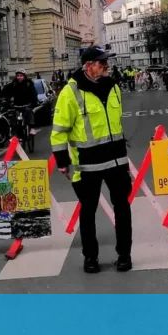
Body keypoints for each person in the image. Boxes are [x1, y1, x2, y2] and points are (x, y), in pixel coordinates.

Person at [51, 46, 132, 274]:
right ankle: (91, 258)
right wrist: (62, 161)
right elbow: (59, 131)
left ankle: (124, 256)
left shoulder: (114, 86)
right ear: (88, 66)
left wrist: (124, 161)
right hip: (87, 166)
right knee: (88, 212)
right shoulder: (70, 92)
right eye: (101, 62)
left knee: (123, 209)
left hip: (116, 161)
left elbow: (115, 126)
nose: (106, 66)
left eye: (106, 62)